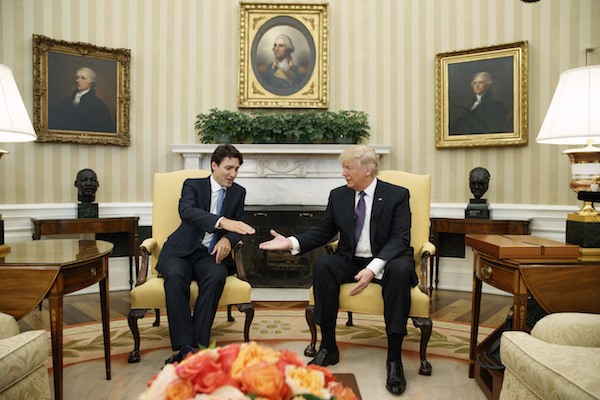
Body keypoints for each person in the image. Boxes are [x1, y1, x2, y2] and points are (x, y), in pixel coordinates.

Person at [259, 145, 417, 395]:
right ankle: (328, 347)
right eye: (343, 168)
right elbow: (323, 232)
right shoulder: (339, 195)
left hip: (389, 259)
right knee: (324, 264)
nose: (343, 173)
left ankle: (394, 359)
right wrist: (291, 242)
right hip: (352, 259)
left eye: (348, 168)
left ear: (368, 170)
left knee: (398, 271)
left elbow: (400, 239)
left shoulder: (397, 195)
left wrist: (374, 269)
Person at [157, 144, 256, 364]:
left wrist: (226, 238)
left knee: (216, 277)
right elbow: (187, 212)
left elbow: (237, 226)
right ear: (214, 165)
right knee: (174, 277)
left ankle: (199, 346)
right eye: (228, 168)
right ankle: (184, 347)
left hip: (211, 254)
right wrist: (222, 222)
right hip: (180, 251)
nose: (233, 174)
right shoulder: (193, 185)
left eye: (237, 169)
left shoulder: (238, 192)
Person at [49, 67, 114, 133]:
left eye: (83, 78)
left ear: (91, 82)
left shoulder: (99, 105)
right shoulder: (66, 102)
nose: (78, 81)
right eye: (77, 77)